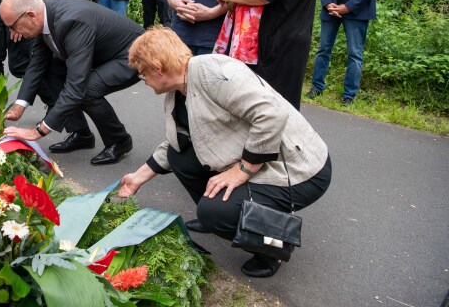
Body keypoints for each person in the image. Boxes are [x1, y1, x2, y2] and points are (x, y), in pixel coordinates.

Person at [118, 27, 332, 278]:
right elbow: (176, 143)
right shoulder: (179, 90)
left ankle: (274, 245)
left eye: (143, 73)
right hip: (261, 157)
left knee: (217, 211)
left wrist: (242, 170)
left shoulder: (213, 72)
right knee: (181, 157)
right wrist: (137, 178)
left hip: (296, 169)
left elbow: (272, 115)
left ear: (157, 67)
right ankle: (222, 213)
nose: (143, 80)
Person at [1, 0, 143, 166]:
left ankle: (119, 141)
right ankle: (81, 134)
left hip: (132, 55)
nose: (12, 32)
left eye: (12, 26)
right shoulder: (44, 16)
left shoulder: (71, 21)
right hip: (104, 54)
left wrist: (38, 131)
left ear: (30, 15)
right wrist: (18, 107)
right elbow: (37, 64)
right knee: (51, 69)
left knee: (87, 90)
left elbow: (76, 85)